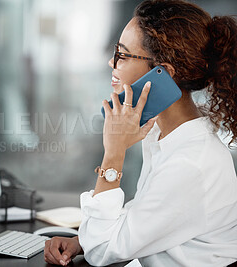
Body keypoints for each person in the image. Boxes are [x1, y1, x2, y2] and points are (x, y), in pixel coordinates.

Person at [44, 0, 237, 266]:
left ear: (163, 74)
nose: (110, 61)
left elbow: (101, 252)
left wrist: (114, 152)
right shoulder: (166, 134)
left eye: (122, 54)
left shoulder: (191, 163)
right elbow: (145, 217)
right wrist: (81, 241)